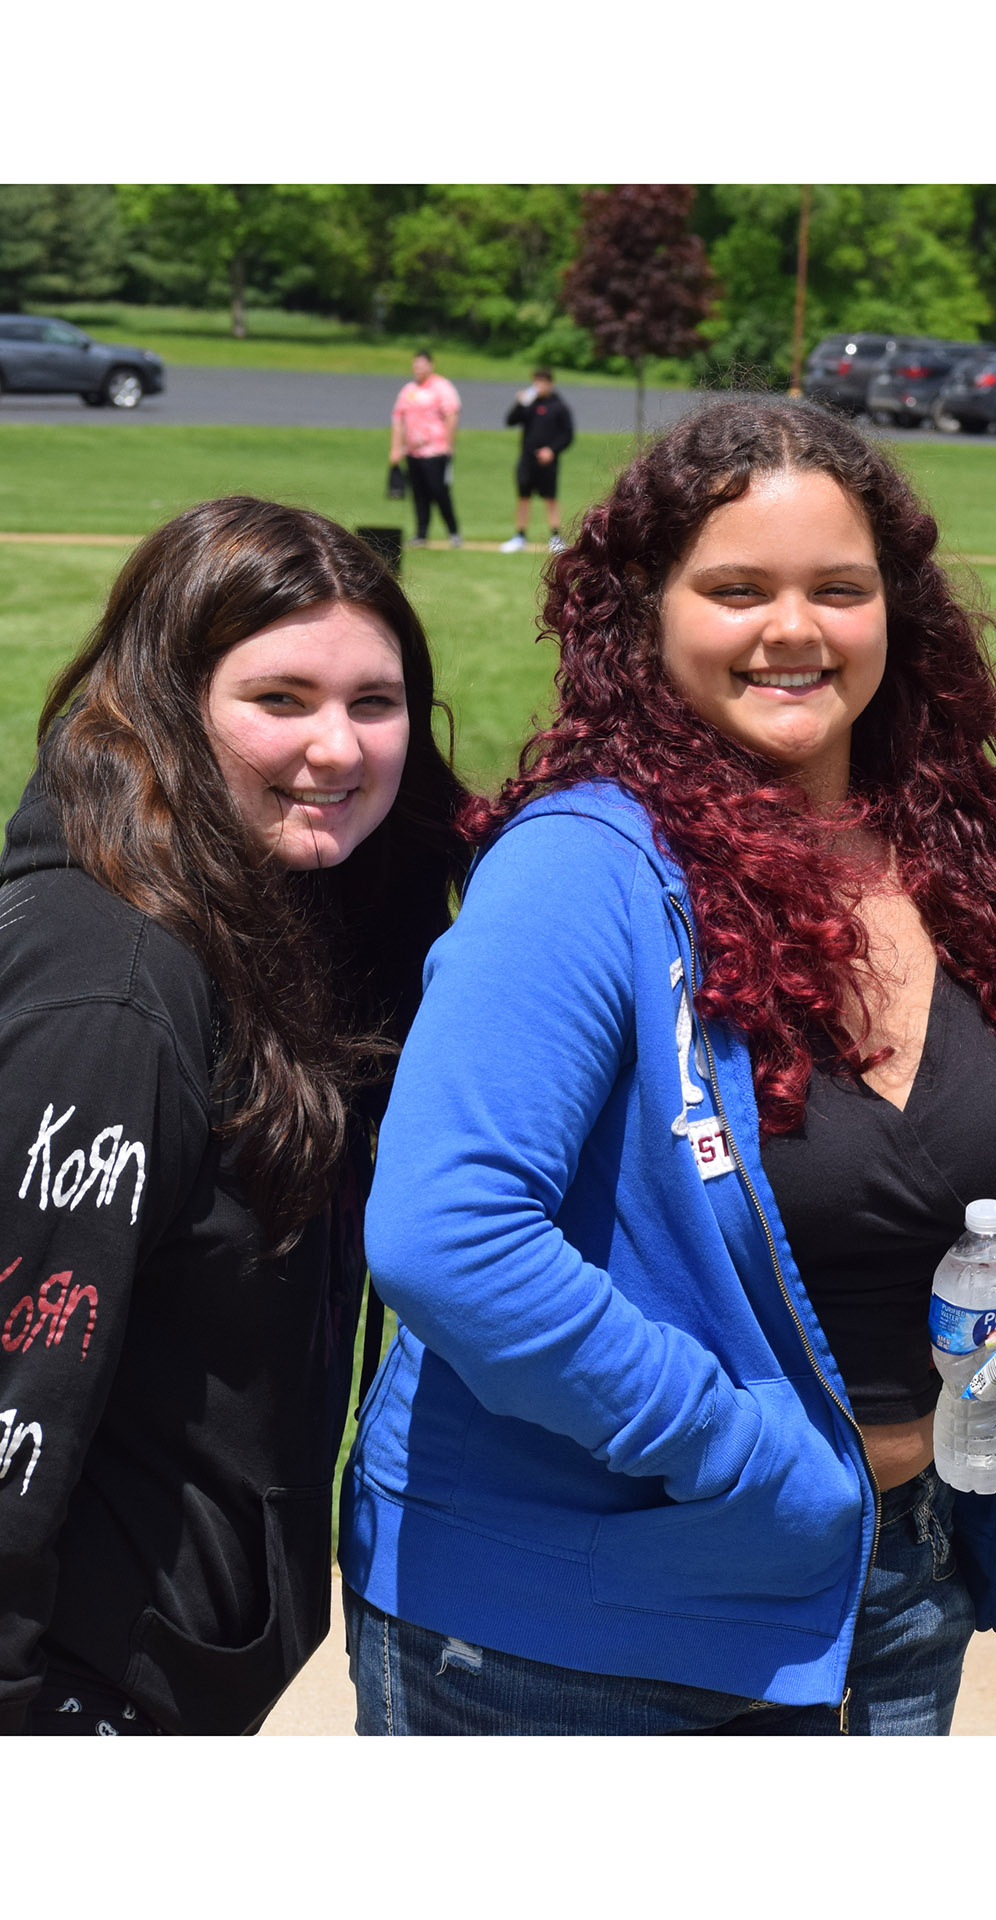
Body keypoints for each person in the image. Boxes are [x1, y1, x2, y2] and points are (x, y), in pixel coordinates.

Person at [339, 396, 996, 1735]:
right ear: (644, 614)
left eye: (840, 587)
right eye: (735, 588)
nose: (794, 629)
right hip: (576, 1635)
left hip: (893, 1589)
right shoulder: (583, 869)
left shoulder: (948, 861)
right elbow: (448, 1237)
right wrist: (760, 1463)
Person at [0, 497, 468, 1735]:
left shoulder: (275, 920)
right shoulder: (115, 990)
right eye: (281, 699)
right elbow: (19, 1368)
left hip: (164, 1654)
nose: (339, 747)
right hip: (77, 1690)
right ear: (167, 703)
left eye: (375, 703)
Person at [389, 349, 462, 549]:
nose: (418, 369)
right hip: (413, 451)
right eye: (415, 365)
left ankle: (453, 531)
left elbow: (452, 414)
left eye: (421, 364)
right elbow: (398, 420)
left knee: (439, 491)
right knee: (418, 493)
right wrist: (396, 448)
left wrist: (448, 444)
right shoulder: (408, 390)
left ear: (431, 365)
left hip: (435, 450)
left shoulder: (441, 387)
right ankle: (421, 533)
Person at [501, 367, 575, 553]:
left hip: (548, 461)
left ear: (550, 383)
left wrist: (552, 450)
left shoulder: (559, 406)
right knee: (523, 497)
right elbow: (510, 421)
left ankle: (556, 536)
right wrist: (519, 403)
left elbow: (567, 435)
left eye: (542, 382)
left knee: (550, 498)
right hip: (527, 459)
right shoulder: (529, 404)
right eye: (536, 382)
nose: (539, 386)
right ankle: (520, 535)